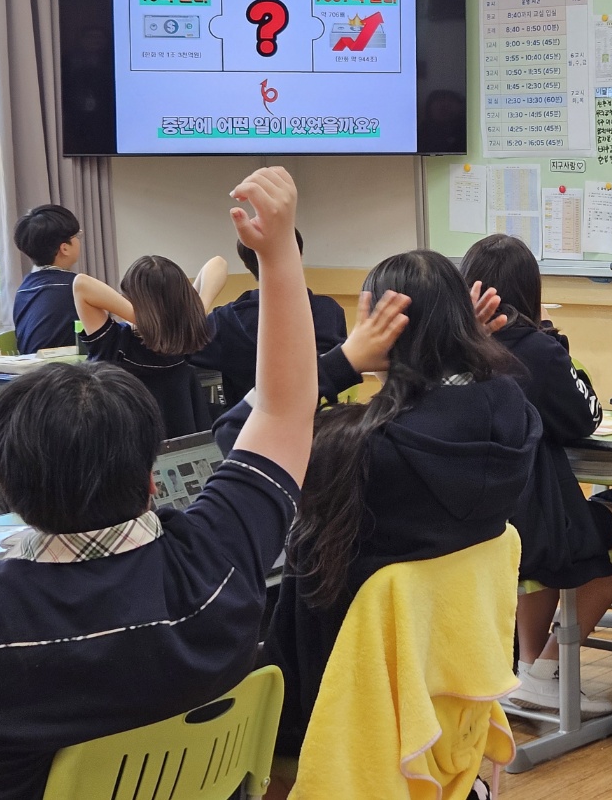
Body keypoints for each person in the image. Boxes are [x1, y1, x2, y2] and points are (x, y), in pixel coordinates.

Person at [0, 166, 317, 800]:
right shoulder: (219, 558)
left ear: (7, 485)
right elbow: (284, 410)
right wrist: (278, 252)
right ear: (152, 478)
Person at [226, 249, 538, 757]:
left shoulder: (358, 449)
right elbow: (466, 389)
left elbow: (237, 438)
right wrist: (457, 348)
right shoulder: (513, 411)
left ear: (382, 331)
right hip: (446, 688)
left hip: (332, 698)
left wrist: (344, 361)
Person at [461, 235, 612, 715]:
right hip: (534, 527)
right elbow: (587, 418)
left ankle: (530, 669)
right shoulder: (536, 351)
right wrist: (550, 338)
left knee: (532, 544)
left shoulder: (449, 353)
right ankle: (547, 665)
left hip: (473, 523)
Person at [192, 230, 349, 406]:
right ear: (299, 255)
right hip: (317, 421)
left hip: (247, 420)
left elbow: (182, 348)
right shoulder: (328, 312)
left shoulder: (224, 321)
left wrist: (201, 303)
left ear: (247, 265)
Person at [73, 255, 219, 437]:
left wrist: (148, 320)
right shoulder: (183, 341)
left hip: (127, 447)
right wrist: (194, 314)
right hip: (181, 447)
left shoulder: (113, 343)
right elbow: (218, 263)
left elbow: (81, 285)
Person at [12, 203, 81, 354]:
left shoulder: (24, 288)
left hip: (31, 368)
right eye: (77, 236)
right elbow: (130, 313)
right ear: (64, 248)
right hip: (66, 368)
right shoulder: (77, 284)